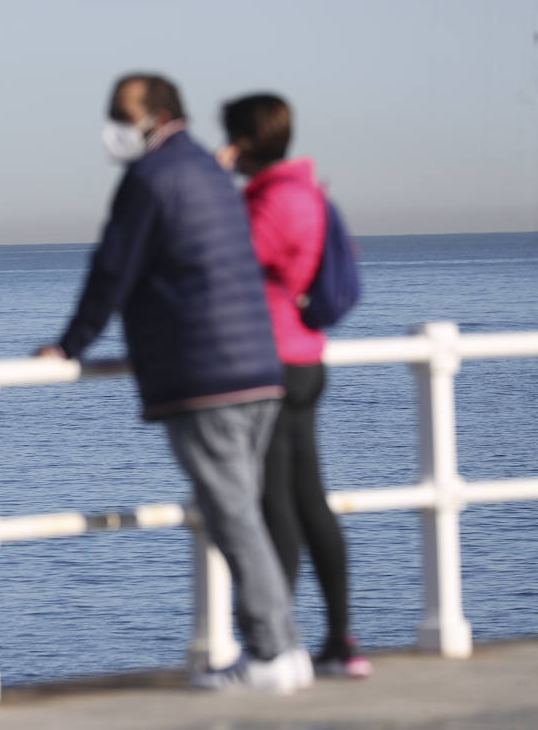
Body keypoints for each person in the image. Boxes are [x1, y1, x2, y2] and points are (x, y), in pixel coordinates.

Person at [38, 73, 310, 693]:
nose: (111, 128)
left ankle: (269, 655)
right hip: (258, 368)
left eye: (120, 115)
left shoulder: (151, 179)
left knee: (233, 515)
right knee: (249, 514)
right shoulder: (212, 172)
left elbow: (113, 269)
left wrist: (70, 345)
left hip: (204, 373)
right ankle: (285, 650)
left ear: (157, 117)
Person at [217, 93, 371, 678]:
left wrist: (214, 180)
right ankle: (340, 642)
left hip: (273, 362)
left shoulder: (274, 201)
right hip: (304, 356)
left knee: (276, 504)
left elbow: (225, 261)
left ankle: (275, 647)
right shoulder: (306, 192)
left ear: (245, 142)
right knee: (309, 500)